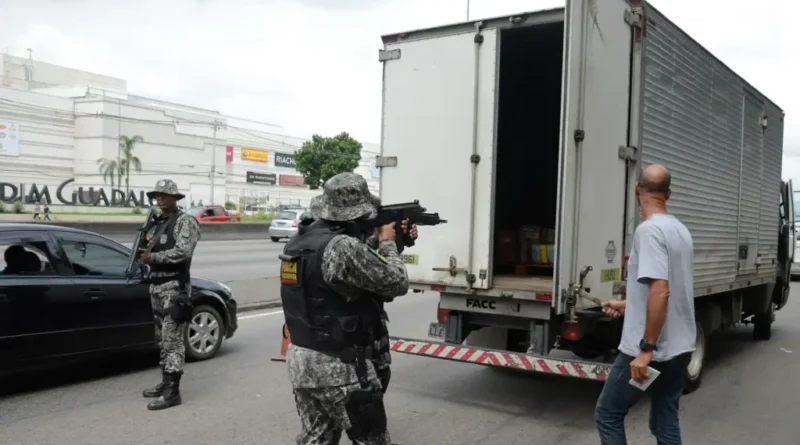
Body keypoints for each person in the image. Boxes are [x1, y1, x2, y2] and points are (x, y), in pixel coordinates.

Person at [282, 172, 411, 445]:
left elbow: (344, 275)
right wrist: (388, 241)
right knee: (371, 440)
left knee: (317, 439)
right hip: (339, 367)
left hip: (302, 361)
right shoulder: (343, 247)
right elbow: (396, 283)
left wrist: (386, 241)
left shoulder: (300, 241)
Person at [594, 164, 696, 445]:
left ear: (637, 189)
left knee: (608, 414)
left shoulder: (648, 231)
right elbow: (665, 291)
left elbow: (661, 292)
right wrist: (628, 304)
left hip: (652, 351)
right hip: (679, 348)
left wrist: (646, 349)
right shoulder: (680, 230)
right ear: (669, 194)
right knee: (665, 421)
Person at [139, 179, 201, 411]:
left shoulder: (185, 222)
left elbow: (183, 252)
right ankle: (165, 383)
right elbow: (148, 248)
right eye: (158, 194)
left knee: (173, 339)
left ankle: (173, 392)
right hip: (156, 286)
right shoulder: (157, 223)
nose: (161, 198)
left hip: (174, 287)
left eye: (166, 194)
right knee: (161, 338)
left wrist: (153, 258)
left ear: (175, 198)